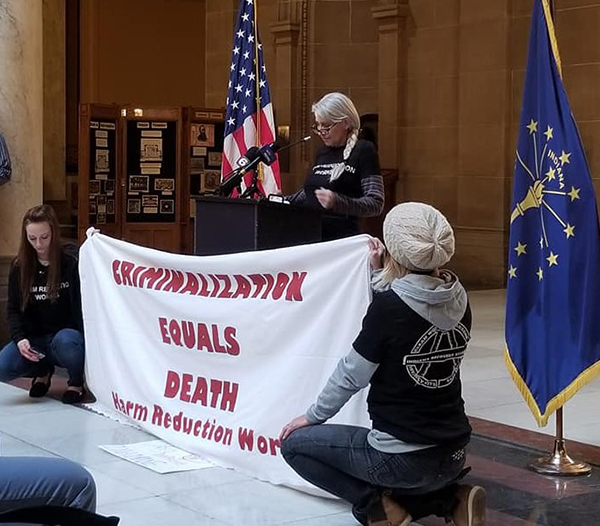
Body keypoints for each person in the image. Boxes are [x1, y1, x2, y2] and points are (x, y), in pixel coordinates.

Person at [280, 202, 486, 526]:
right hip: (454, 453)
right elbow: (410, 313)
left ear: (395, 250)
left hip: (403, 460)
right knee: (413, 470)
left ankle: (377, 508)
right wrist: (379, 273)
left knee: (294, 446)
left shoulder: (389, 310)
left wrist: (311, 416)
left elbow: (352, 375)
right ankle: (451, 500)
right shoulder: (459, 298)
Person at [0, 204, 86, 404]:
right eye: (32, 238)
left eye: (44, 237)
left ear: (54, 233)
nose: (39, 244)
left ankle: (75, 382)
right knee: (3, 368)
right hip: (34, 338)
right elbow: (13, 309)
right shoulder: (19, 267)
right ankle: (42, 371)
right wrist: (20, 339)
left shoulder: (70, 260)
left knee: (68, 342)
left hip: (63, 336)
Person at [286, 92, 384, 241]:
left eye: (326, 126)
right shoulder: (322, 152)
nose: (321, 132)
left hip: (343, 240)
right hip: (312, 235)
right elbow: (310, 192)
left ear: (345, 123)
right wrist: (282, 201)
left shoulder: (364, 150)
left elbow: (375, 203)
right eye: (317, 126)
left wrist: (337, 202)